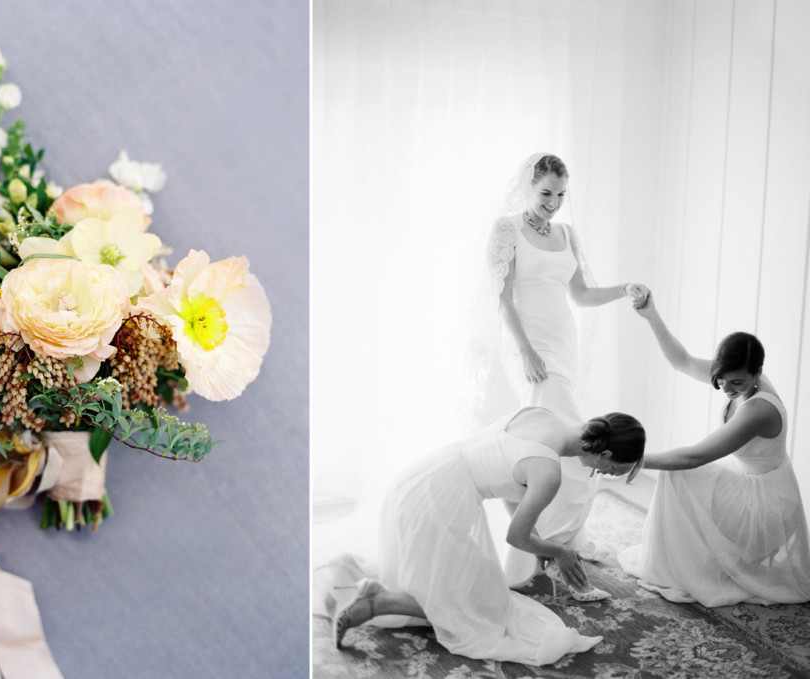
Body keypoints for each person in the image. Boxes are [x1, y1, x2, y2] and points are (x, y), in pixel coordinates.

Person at [332, 407, 645, 665]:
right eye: (611, 470)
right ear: (604, 454)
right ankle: (377, 602)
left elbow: (510, 483)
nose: (604, 475)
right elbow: (515, 536)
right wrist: (560, 552)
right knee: (482, 612)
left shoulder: (542, 416)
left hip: (421, 479)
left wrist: (537, 540)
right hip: (437, 502)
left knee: (479, 590)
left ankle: (373, 585)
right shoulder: (549, 472)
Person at [486, 152, 647, 592]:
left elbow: (581, 294)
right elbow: (502, 298)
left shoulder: (566, 234)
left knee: (546, 445)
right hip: (528, 345)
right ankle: (539, 550)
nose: (553, 203)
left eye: (560, 194)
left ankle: (543, 547)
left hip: (563, 344)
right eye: (545, 194)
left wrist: (624, 289)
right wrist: (526, 351)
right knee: (571, 449)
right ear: (527, 187)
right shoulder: (507, 229)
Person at [618, 293, 810, 607]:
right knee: (676, 472)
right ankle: (682, 562)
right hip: (750, 483)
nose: (726, 388)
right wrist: (651, 315)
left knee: (677, 472)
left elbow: (697, 456)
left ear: (757, 374)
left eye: (737, 383)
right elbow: (681, 361)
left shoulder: (758, 410)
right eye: (721, 379)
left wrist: (634, 461)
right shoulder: (737, 375)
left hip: (768, 505)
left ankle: (680, 569)